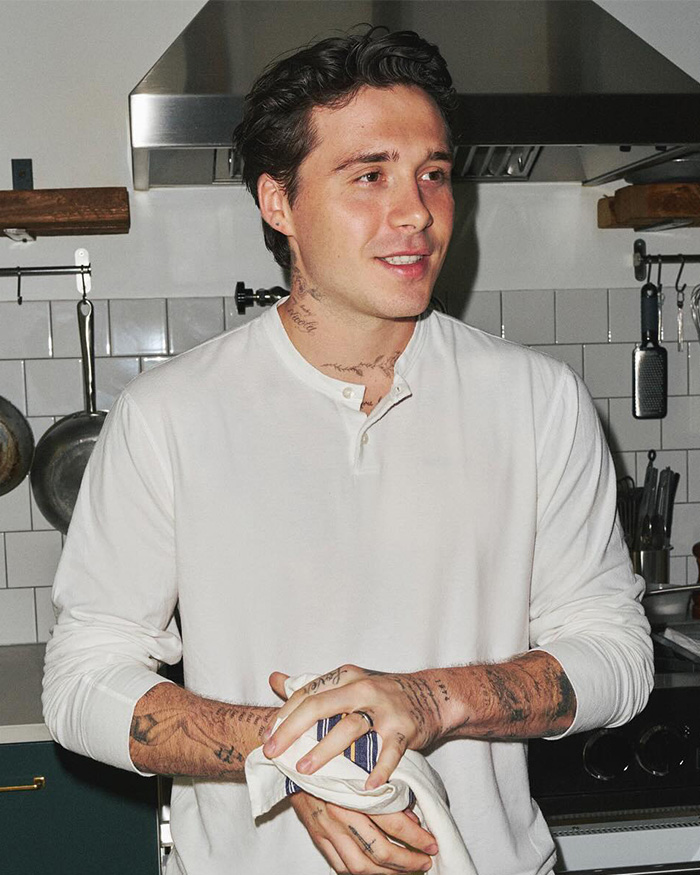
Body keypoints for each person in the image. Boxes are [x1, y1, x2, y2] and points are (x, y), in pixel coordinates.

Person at [43, 26, 653, 875]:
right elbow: (82, 684)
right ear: (278, 203)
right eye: (369, 176)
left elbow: (618, 654)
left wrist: (425, 701)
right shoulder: (170, 416)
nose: (416, 212)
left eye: (433, 174)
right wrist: (295, 755)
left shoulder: (536, 400)